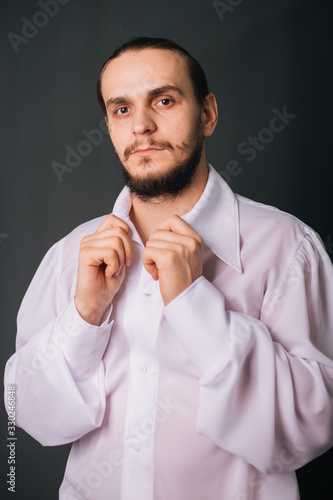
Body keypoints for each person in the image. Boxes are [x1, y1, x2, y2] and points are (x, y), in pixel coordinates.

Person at [4, 37, 333, 500]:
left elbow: (312, 428)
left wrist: (195, 304)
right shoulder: (69, 256)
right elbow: (27, 412)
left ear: (208, 114)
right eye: (121, 110)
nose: (141, 125)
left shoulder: (288, 248)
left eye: (163, 100)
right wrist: (84, 315)